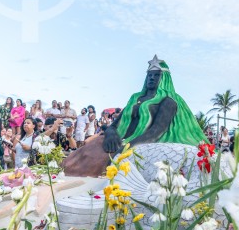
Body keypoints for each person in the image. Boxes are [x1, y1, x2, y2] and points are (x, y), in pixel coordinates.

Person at [63, 55, 207, 176]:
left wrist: (125, 148)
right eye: (149, 75)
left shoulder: (169, 101)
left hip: (140, 144)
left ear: (165, 78)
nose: (151, 78)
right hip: (119, 140)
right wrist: (112, 133)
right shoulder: (135, 98)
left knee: (94, 159)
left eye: (156, 75)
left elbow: (155, 132)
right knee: (84, 152)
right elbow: (114, 125)